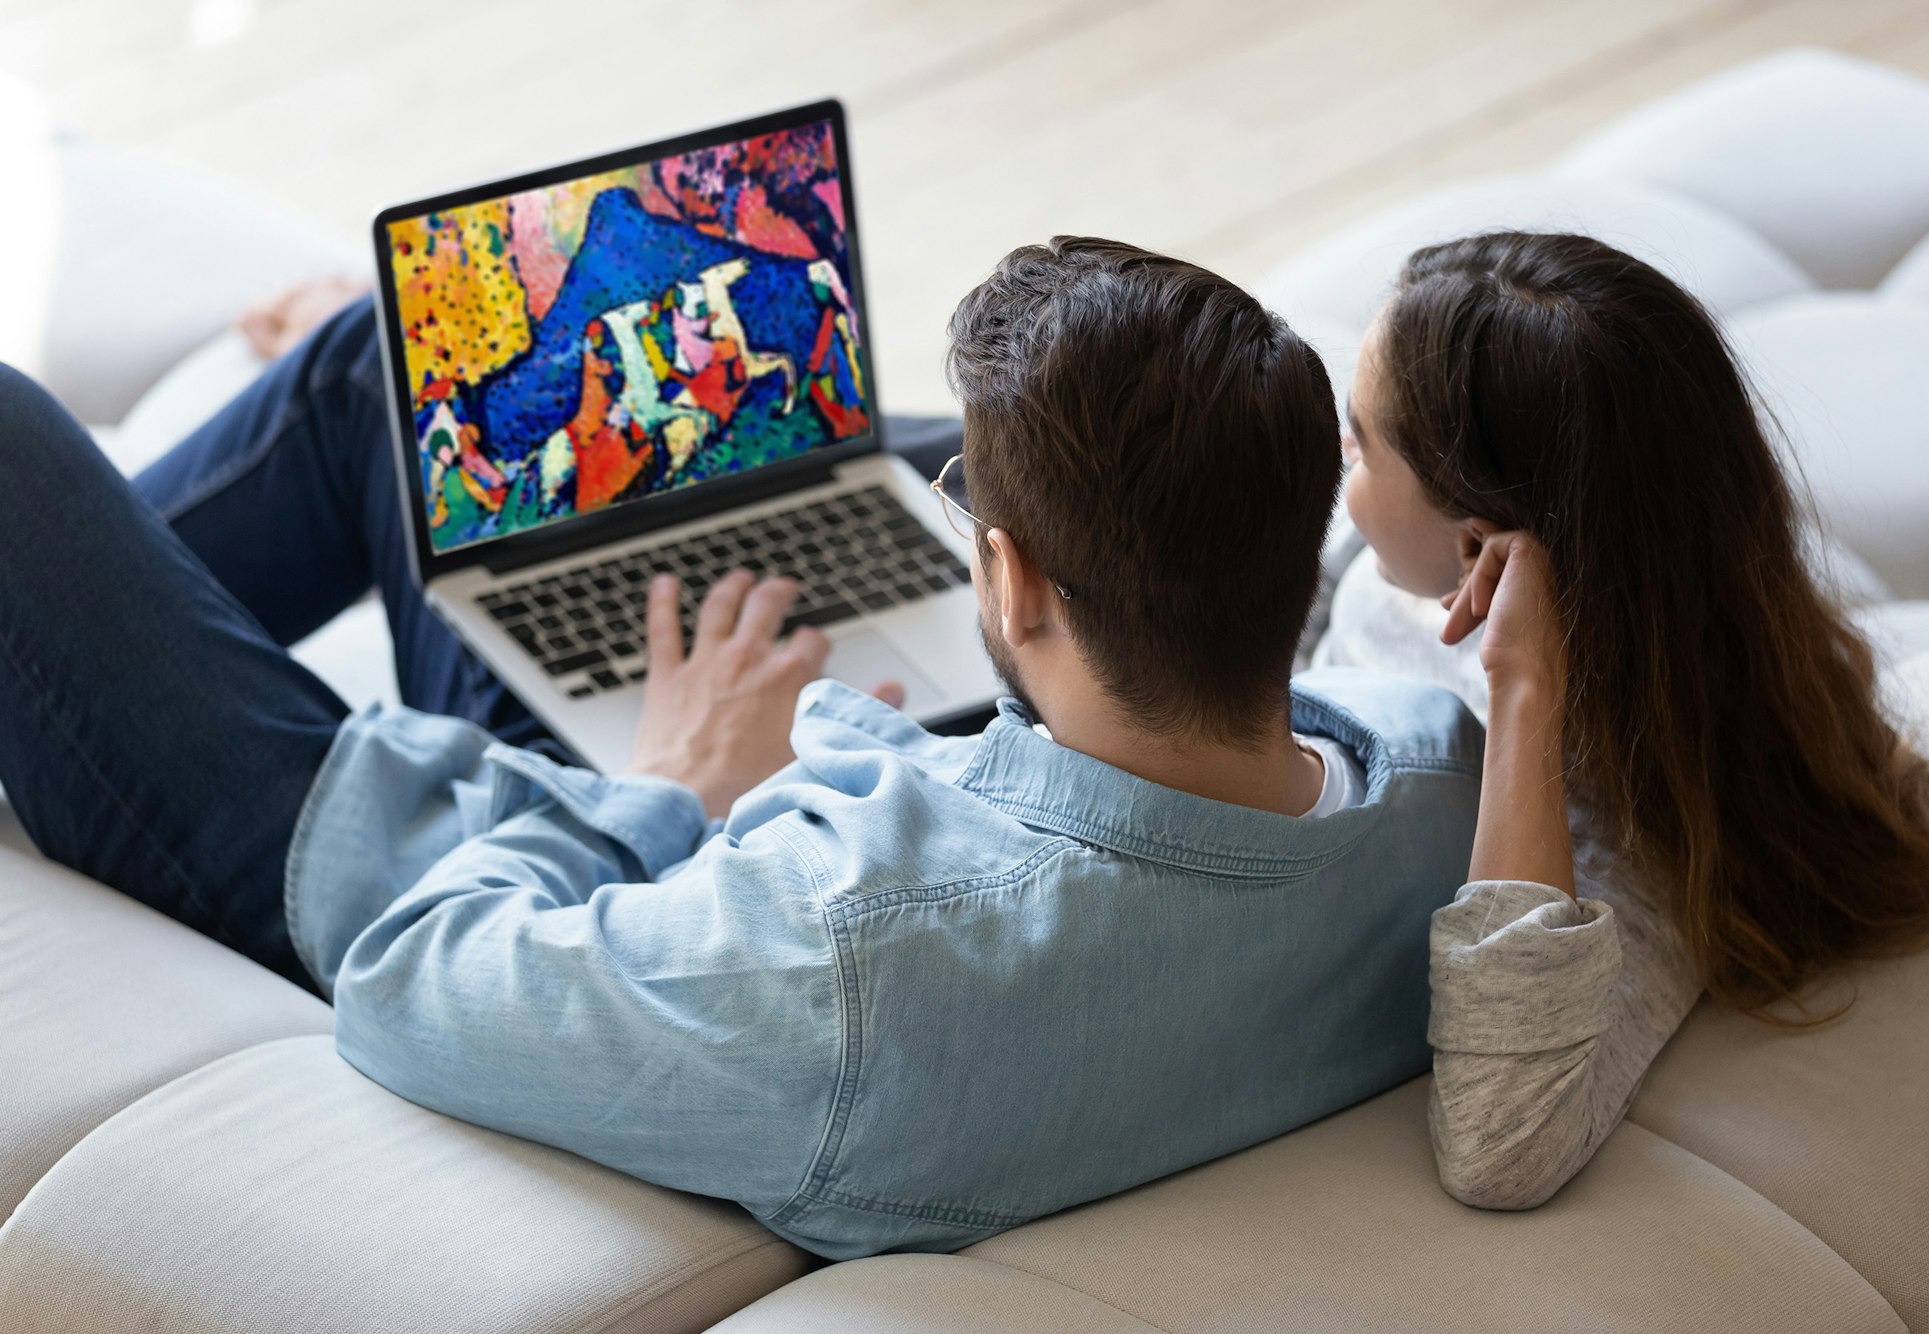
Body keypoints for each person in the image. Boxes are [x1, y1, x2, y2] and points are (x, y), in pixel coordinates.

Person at [0, 236, 1483, 1259]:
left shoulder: (844, 965)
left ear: (1012, 579)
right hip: (855, 795)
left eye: (979, 526)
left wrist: (671, 782)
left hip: (400, 851)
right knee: (435, 379)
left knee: (314, 387)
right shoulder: (1440, 785)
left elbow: (406, 972)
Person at [1326, 230, 1929, 1209]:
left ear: (1476, 543)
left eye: (1357, 443)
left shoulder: (1623, 831)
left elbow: (1498, 1143)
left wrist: (1520, 691)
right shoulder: (1393, 573)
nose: (1337, 470)